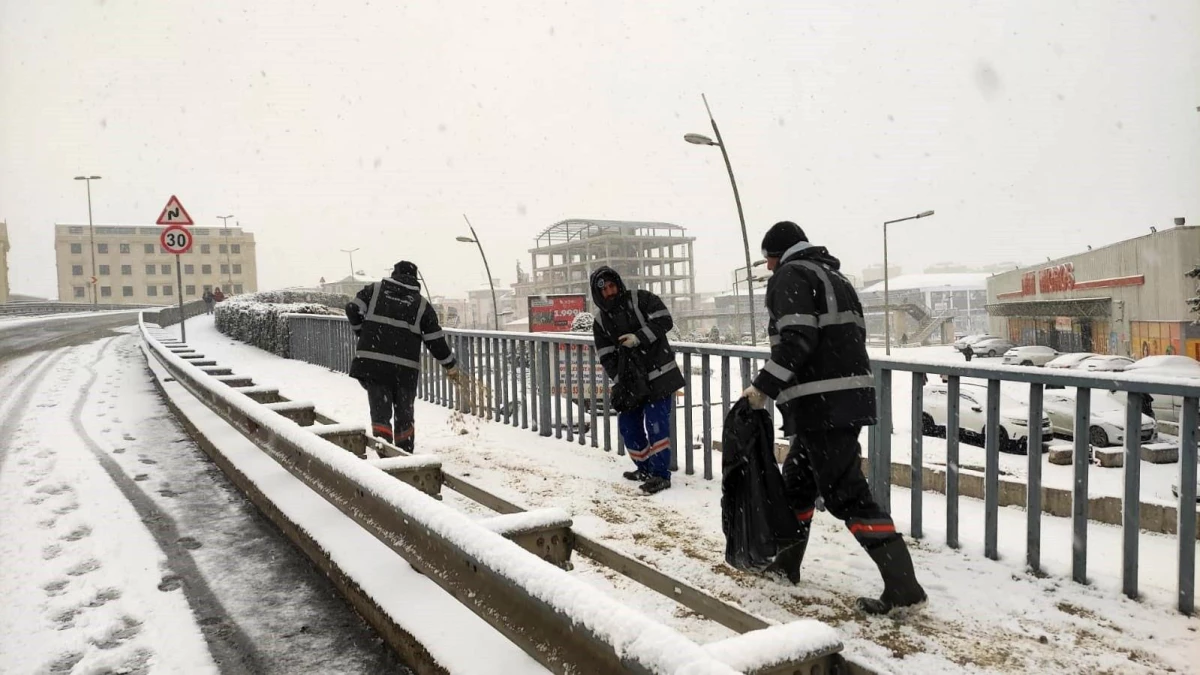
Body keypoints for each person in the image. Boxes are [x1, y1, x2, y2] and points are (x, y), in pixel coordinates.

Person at [740, 221, 927, 615]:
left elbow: (797, 340)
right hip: (840, 400)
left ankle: (903, 587)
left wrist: (763, 388)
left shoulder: (791, 276)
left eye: (769, 259)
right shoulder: (833, 276)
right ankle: (786, 565)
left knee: (848, 495)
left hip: (822, 403)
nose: (769, 268)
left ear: (779, 253)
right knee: (798, 484)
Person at [346, 261, 463, 450]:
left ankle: (385, 452)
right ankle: (404, 453)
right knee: (404, 415)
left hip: (374, 365)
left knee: (380, 411)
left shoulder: (374, 291)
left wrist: (362, 332)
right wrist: (449, 364)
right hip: (404, 370)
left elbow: (352, 308)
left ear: (394, 275)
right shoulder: (421, 305)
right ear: (415, 280)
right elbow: (435, 340)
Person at [589, 266, 685, 495]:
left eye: (613, 286)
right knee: (629, 427)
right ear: (598, 293)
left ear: (618, 284)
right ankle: (644, 468)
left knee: (657, 427)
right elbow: (606, 356)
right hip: (631, 384)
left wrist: (639, 338)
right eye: (605, 289)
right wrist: (622, 379)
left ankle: (661, 475)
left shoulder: (641, 299)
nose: (610, 292)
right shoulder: (601, 322)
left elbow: (665, 320)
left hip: (660, 375)